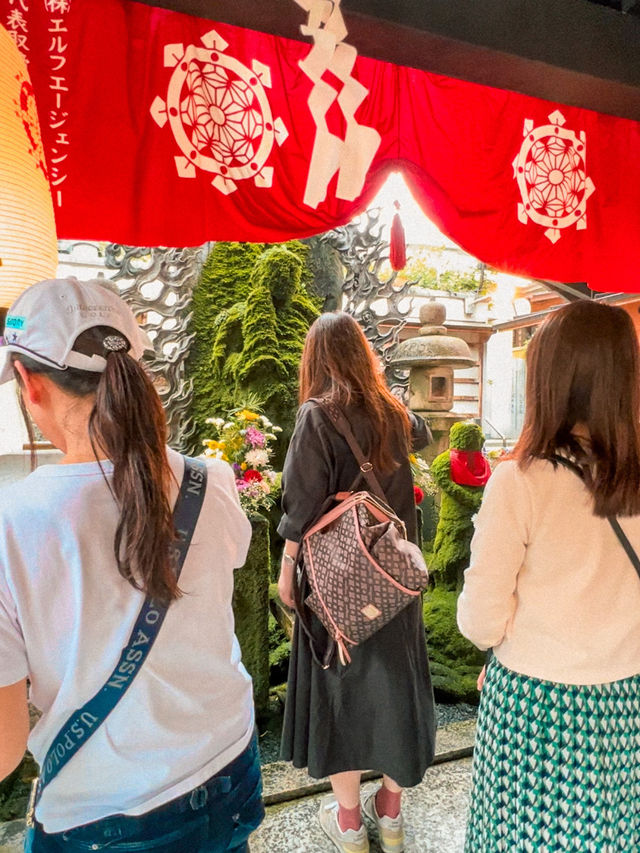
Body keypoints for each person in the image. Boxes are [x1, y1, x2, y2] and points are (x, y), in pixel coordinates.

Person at [0, 278, 264, 852]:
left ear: (28, 383)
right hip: (227, 768)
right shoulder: (211, 481)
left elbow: (3, 746)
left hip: (106, 811)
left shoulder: (10, 524)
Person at [457, 300, 640, 852]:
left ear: (549, 381)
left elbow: (479, 620)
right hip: (626, 702)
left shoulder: (521, 481)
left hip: (537, 709)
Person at [277, 312, 436, 853]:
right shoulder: (393, 409)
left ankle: (349, 824)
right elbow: (425, 434)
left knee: (338, 688)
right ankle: (390, 816)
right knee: (399, 685)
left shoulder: (316, 415)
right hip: (394, 575)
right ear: (362, 353)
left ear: (315, 359)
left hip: (338, 579)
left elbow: (300, 501)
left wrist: (285, 570)